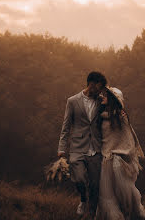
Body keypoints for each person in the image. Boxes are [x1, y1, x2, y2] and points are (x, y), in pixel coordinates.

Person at [57, 71, 107, 219]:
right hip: (77, 147)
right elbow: (66, 126)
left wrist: (118, 110)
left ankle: (91, 214)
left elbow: (112, 114)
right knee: (78, 178)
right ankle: (83, 200)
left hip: (96, 148)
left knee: (95, 185)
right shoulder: (72, 101)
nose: (100, 90)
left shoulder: (101, 101)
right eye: (99, 87)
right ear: (91, 84)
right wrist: (61, 148)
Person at [96, 86, 145, 220]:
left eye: (106, 95)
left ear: (113, 99)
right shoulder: (100, 116)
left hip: (117, 162)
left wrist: (121, 154)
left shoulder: (120, 117)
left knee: (124, 194)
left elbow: (128, 139)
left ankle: (133, 215)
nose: (102, 96)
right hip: (104, 160)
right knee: (106, 195)